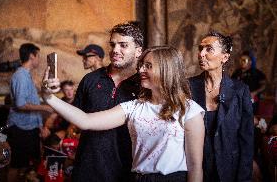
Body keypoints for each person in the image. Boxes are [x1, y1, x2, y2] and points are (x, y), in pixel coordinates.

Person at [42, 46, 205, 182]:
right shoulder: (133, 107)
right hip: (137, 178)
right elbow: (86, 121)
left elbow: (195, 167)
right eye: (141, 65)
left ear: (166, 69)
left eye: (148, 65)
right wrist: (48, 98)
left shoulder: (189, 110)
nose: (140, 69)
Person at [66, 22, 144, 182]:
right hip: (87, 170)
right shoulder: (90, 80)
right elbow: (76, 120)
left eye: (123, 45)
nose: (115, 50)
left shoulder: (144, 84)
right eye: (113, 44)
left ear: (138, 51)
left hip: (126, 173)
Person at [189, 31, 254, 182]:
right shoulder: (188, 87)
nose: (201, 54)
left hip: (229, 170)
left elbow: (247, 140)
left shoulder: (240, 91)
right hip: (196, 169)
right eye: (200, 48)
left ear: (224, 57)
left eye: (209, 49)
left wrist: (244, 178)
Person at [7, 43, 54, 182]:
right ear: (32, 56)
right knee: (16, 164)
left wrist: (39, 126)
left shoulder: (26, 75)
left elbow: (32, 101)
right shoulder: (20, 76)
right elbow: (21, 104)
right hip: (20, 128)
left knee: (26, 164)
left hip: (30, 127)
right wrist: (45, 108)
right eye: (38, 56)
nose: (38, 59)